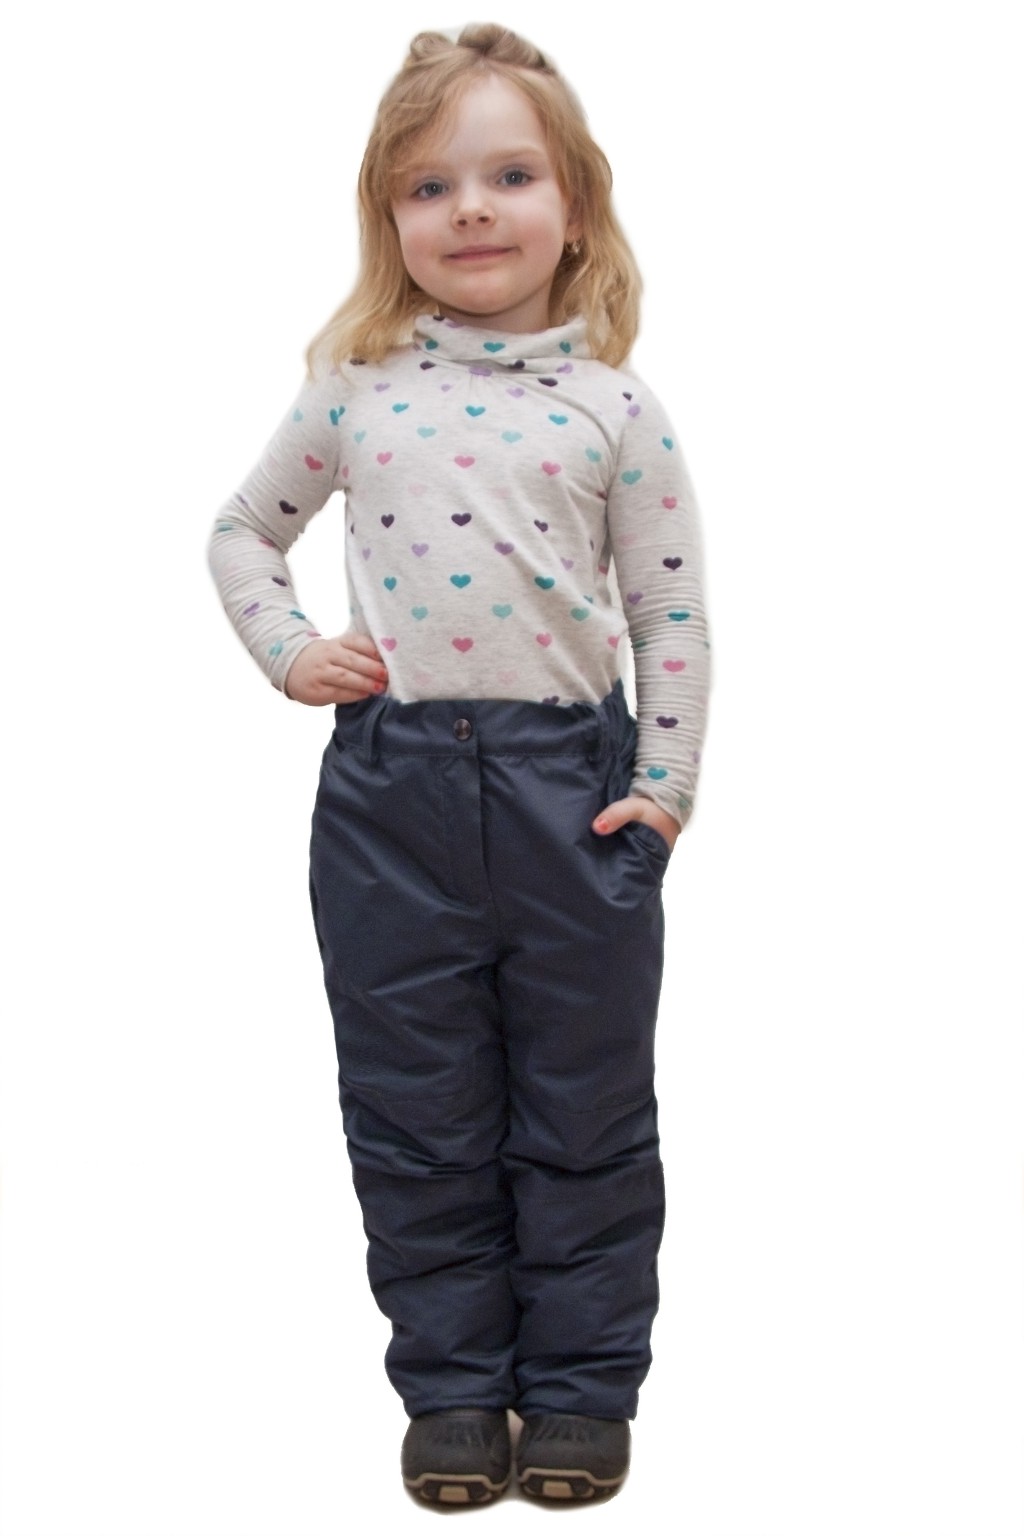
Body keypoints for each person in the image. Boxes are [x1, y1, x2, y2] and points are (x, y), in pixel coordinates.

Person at [208, 21, 710, 1507]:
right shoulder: (353, 388)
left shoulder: (617, 408)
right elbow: (241, 533)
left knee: (585, 1111)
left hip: (573, 797)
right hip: (393, 801)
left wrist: (664, 788)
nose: (471, 209)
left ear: (577, 207)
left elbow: (672, 612)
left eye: (509, 176)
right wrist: (289, 650)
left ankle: (579, 1392)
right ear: (390, 219)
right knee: (414, 1107)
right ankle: (450, 1393)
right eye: (429, 187)